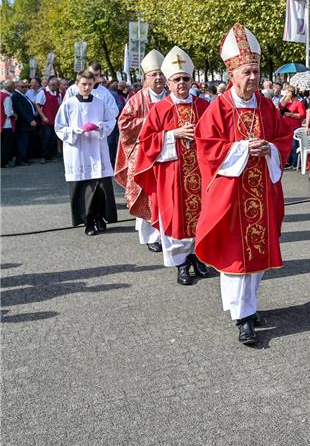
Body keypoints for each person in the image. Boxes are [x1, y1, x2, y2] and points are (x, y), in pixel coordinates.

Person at [194, 23, 293, 345]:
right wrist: (240, 148)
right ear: (232, 76)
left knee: (258, 252)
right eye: (247, 72)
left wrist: (271, 149)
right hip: (232, 196)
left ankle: (250, 304)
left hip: (262, 192)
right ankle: (242, 316)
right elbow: (206, 146)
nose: (253, 78)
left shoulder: (265, 106)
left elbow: (282, 136)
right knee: (237, 255)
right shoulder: (219, 107)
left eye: (256, 71)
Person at [135, 47, 211, 284]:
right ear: (168, 83)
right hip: (172, 174)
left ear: (192, 80)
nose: (181, 83)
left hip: (201, 173)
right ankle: (180, 263)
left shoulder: (204, 107)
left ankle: (198, 255)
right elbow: (146, 143)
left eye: (185, 78)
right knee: (176, 217)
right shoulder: (160, 109)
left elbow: (216, 137)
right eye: (176, 79)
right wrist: (172, 134)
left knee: (203, 216)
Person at [115, 50, 167, 253]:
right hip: (144, 155)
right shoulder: (137, 100)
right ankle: (150, 235)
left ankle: (166, 232)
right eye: (154, 75)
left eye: (161, 74)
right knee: (147, 194)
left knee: (165, 195)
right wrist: (149, 122)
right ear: (146, 78)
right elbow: (124, 124)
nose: (158, 78)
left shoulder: (171, 98)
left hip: (167, 153)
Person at [55, 70, 118, 235]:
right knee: (84, 188)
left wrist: (101, 126)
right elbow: (59, 127)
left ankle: (101, 217)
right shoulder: (68, 104)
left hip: (97, 147)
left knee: (101, 187)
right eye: (83, 84)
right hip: (79, 150)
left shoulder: (99, 102)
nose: (87, 87)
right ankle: (88, 221)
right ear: (77, 84)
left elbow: (111, 121)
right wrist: (74, 131)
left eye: (90, 84)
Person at [10, 79, 37, 165]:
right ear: (16, 87)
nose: (25, 88)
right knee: (22, 142)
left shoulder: (23, 95)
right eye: (22, 87)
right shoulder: (16, 96)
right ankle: (20, 160)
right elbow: (21, 110)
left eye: (26, 87)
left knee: (27, 142)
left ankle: (25, 158)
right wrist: (30, 120)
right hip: (23, 123)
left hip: (27, 122)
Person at [279, 84, 306, 168]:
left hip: (294, 126)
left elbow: (302, 115)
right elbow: (280, 106)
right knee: (287, 145)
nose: (286, 93)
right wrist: (285, 97)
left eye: (288, 91)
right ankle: (288, 161)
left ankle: (294, 162)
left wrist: (291, 114)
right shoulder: (287, 103)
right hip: (286, 127)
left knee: (294, 145)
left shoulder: (298, 103)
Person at [36, 78, 61, 163]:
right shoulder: (43, 92)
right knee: (46, 137)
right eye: (57, 85)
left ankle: (51, 155)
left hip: (55, 120)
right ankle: (43, 156)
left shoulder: (58, 94)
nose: (58, 87)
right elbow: (37, 105)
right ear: (52, 85)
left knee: (53, 138)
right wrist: (43, 117)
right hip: (46, 120)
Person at [1, 80, 15, 168]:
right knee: (5, 145)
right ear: (9, 87)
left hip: (1, 123)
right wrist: (15, 114)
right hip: (6, 124)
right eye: (13, 86)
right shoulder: (7, 97)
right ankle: (3, 162)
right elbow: (8, 112)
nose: (14, 88)